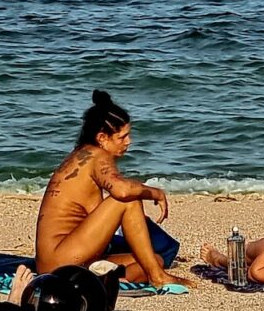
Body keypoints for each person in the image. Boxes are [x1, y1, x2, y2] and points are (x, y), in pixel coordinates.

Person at [34, 90, 179, 286]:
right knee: (128, 200)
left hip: (59, 262)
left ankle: (104, 282)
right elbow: (122, 191)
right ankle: (158, 277)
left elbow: (97, 218)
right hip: (61, 259)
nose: (129, 142)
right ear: (102, 138)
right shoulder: (97, 155)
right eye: (122, 137)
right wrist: (155, 193)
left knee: (154, 260)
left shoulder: (82, 155)